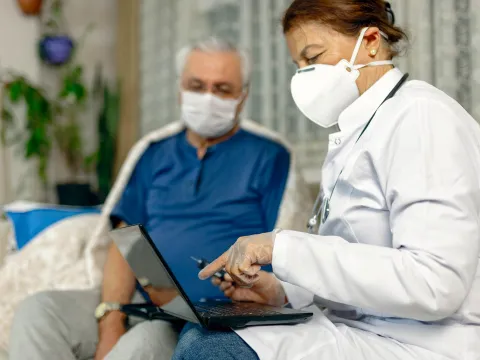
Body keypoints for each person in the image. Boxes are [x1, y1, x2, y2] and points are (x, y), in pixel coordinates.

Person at [172, 1, 480, 360]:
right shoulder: (358, 130)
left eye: (313, 57)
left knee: (211, 348)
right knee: (208, 329)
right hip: (366, 329)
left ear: (370, 42)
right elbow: (363, 267)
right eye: (297, 65)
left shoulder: (422, 118)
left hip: (423, 344)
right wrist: (284, 293)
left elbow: (434, 284)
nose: (303, 75)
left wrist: (282, 247)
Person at [8, 37, 309, 360]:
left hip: (207, 319)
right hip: (139, 299)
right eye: (197, 85)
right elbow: (125, 243)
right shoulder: (154, 153)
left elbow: (286, 247)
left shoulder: (271, 157)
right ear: (180, 90)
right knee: (38, 310)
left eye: (222, 89)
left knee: (144, 343)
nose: (208, 98)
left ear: (242, 96)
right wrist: (111, 323)